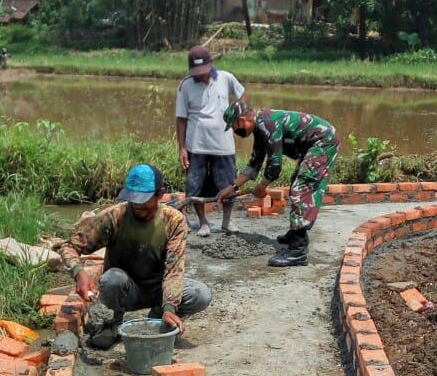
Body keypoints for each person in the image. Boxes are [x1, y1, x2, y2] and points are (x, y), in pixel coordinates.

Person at [53, 164, 212, 349]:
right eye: (134, 200)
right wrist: (79, 272)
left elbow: (174, 270)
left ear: (160, 194)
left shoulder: (173, 221)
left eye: (144, 201)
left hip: (158, 288)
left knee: (200, 294)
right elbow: (69, 246)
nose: (138, 206)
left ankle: (159, 318)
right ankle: (113, 323)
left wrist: (170, 307)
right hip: (127, 289)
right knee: (112, 279)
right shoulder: (115, 216)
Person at [217, 102, 339, 268]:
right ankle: (295, 233)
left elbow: (275, 165)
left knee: (302, 189)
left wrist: (262, 187)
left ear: (244, 118)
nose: (235, 130)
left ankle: (298, 250)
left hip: (323, 141)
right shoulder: (260, 129)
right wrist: (232, 187)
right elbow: (254, 163)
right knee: (298, 183)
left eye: (235, 125)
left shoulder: (267, 124)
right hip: (312, 145)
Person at [175, 45, 246, 237]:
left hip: (223, 144)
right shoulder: (185, 85)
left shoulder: (226, 78)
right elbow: (181, 119)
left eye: (203, 72)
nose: (200, 76)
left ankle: (226, 221)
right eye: (196, 72)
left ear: (211, 65)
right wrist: (182, 147)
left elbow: (242, 96)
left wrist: (238, 113)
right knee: (195, 185)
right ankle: (203, 222)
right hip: (195, 145)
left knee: (228, 183)